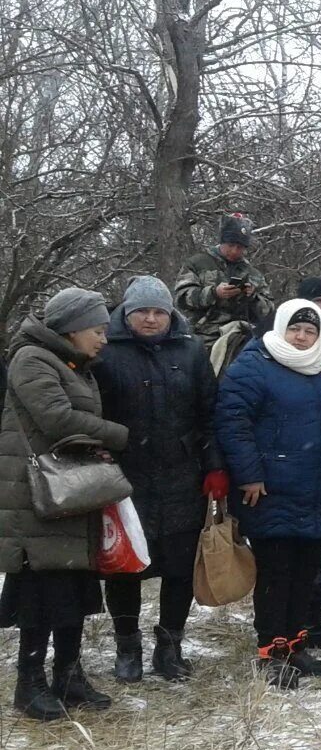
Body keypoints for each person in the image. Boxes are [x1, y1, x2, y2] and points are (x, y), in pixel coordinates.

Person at [1, 289, 130, 720]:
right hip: (38, 498)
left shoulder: (75, 365)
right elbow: (55, 418)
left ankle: (68, 675)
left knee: (74, 588)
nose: (104, 339)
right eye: (97, 330)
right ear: (72, 329)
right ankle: (30, 683)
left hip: (72, 492)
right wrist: (115, 434)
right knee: (42, 592)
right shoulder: (32, 359)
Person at [94, 276, 225, 683]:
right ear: (127, 312)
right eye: (142, 311)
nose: (151, 319)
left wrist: (215, 466)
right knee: (124, 567)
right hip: (125, 478)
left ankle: (170, 645)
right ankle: (127, 645)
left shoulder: (190, 351)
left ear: (171, 314)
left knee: (179, 568)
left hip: (183, 475)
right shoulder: (105, 353)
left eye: (159, 312)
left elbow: (210, 415)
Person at [216, 299, 321, 687]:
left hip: (315, 488)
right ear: (280, 328)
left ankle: (295, 646)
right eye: (295, 329)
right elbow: (233, 423)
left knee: (305, 575)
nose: (302, 337)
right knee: (276, 574)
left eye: (310, 330)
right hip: (270, 490)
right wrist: (250, 475)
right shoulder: (254, 365)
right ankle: (270, 653)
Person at [174, 213, 273, 344]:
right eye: (231, 245)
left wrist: (252, 297)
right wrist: (214, 293)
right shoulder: (198, 264)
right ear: (222, 241)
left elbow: (269, 310)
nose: (234, 251)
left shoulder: (254, 274)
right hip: (203, 334)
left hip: (243, 334)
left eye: (240, 247)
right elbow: (181, 299)